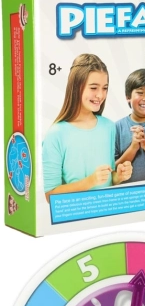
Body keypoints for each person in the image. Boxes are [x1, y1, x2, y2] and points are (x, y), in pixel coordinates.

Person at [43, 54, 132, 201]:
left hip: (106, 208)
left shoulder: (109, 127)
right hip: (75, 211)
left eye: (105, 88)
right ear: (76, 87)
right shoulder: (56, 134)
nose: (100, 95)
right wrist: (90, 181)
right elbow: (50, 195)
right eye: (94, 88)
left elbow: (108, 179)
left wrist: (119, 176)